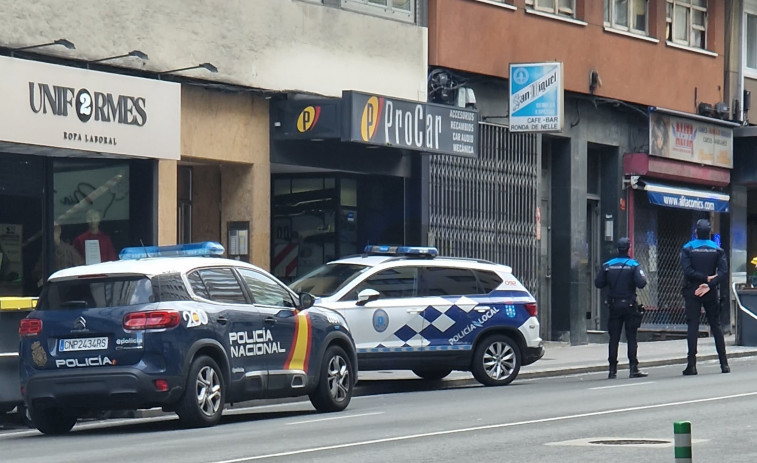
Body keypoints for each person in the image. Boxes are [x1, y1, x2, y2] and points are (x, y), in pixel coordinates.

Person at [680, 218, 729, 375]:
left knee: (692, 326)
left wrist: (702, 279)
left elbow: (687, 271)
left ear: (696, 232)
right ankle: (724, 364)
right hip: (710, 291)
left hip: (693, 290)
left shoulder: (688, 249)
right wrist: (709, 283)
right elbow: (723, 271)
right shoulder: (717, 249)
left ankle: (692, 365)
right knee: (716, 325)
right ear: (709, 233)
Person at [594, 237, 648, 379]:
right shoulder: (633, 265)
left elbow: (598, 283)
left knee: (614, 338)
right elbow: (642, 283)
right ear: (629, 249)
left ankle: (612, 370)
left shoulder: (608, 265)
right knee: (631, 337)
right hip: (630, 305)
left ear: (617, 249)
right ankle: (633, 368)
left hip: (614, 305)